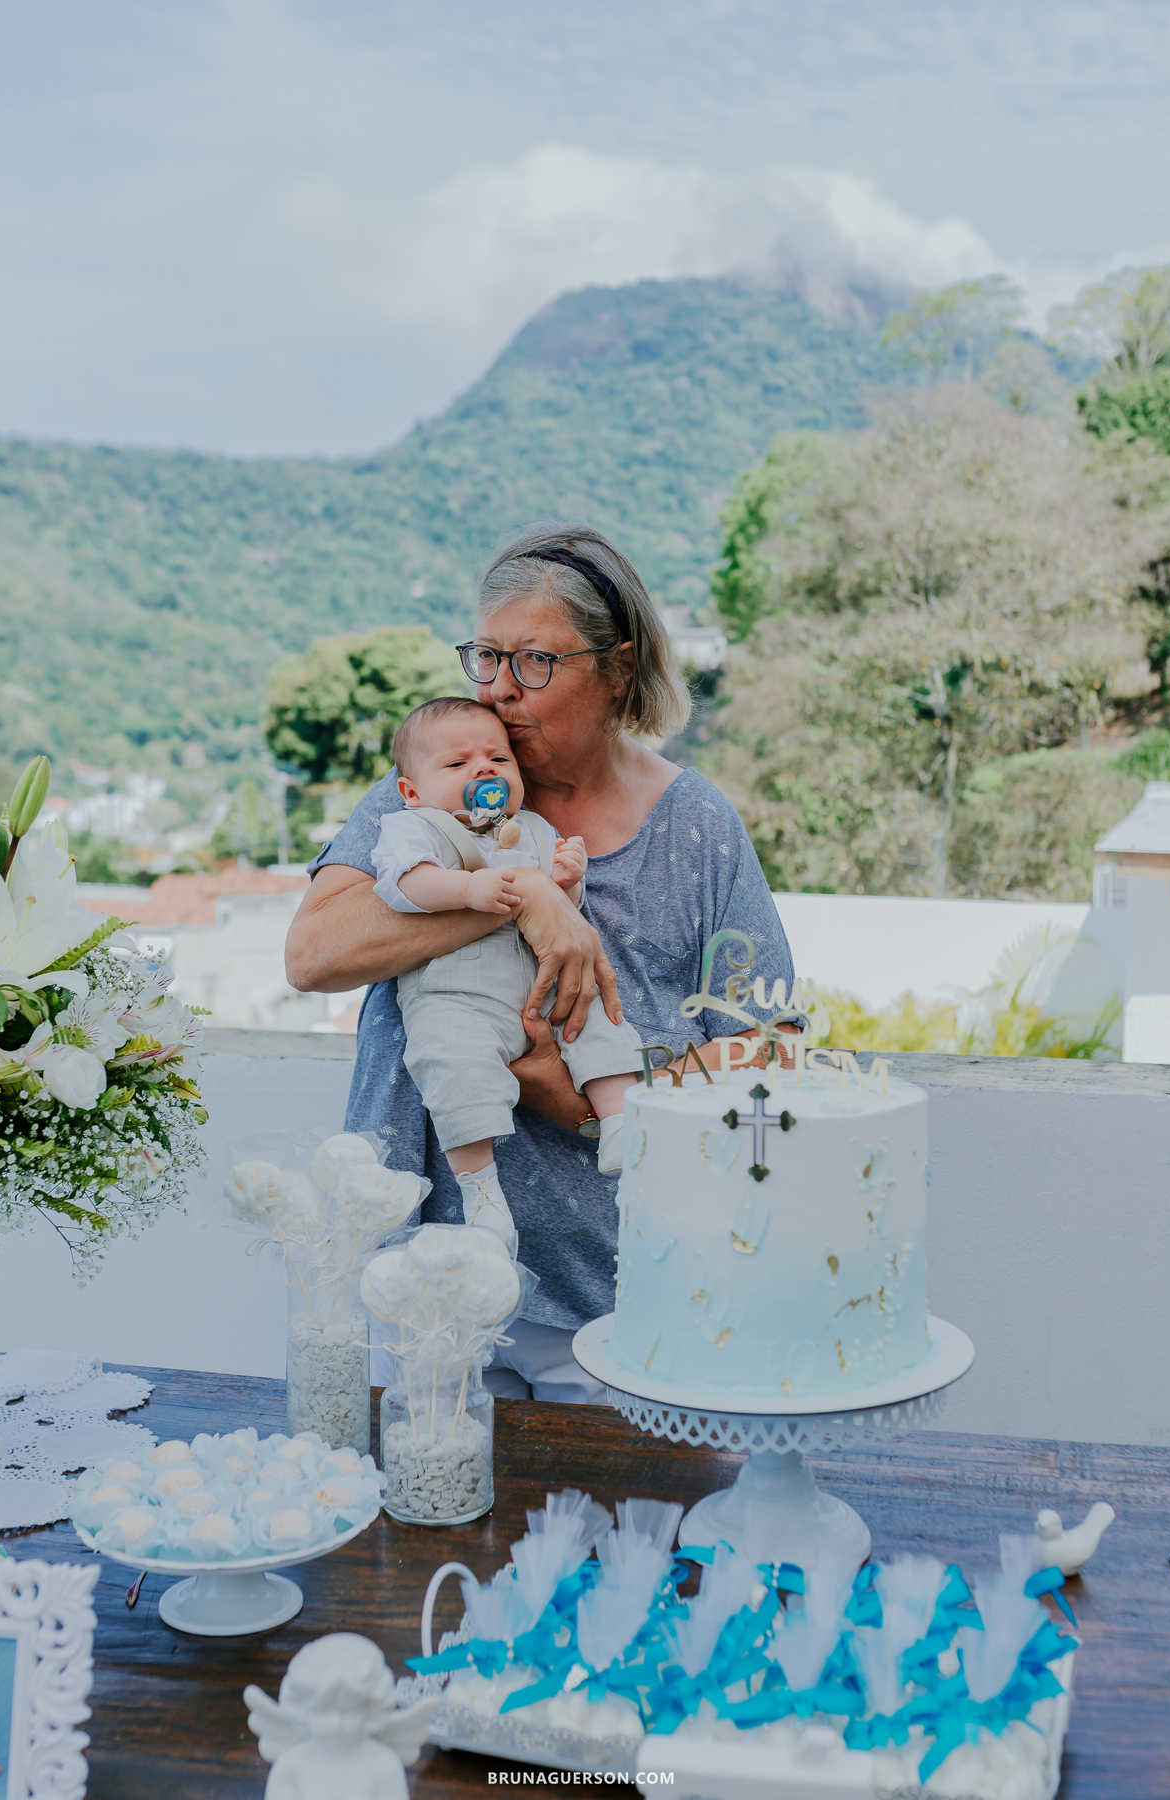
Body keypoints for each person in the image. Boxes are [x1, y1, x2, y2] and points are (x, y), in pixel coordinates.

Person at [287, 523, 795, 1403]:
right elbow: (316, 952)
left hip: (610, 1291)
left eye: (532, 663)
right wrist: (531, 895)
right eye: (483, 659)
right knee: (420, 1519)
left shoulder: (698, 828)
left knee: (600, 1527)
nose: (499, 692)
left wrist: (580, 1099)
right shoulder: (433, 784)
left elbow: (770, 1042)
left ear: (617, 667)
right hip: (420, 1273)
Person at [369, 694, 644, 1250]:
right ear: (412, 789)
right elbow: (404, 885)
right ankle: (483, 1194)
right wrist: (468, 887)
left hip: (538, 982)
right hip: (456, 993)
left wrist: (568, 880)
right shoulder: (416, 828)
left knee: (600, 1021)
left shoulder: (536, 830)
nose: (483, 770)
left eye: (499, 759)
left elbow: (565, 914)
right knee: (454, 1071)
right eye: (457, 764)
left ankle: (622, 1123)